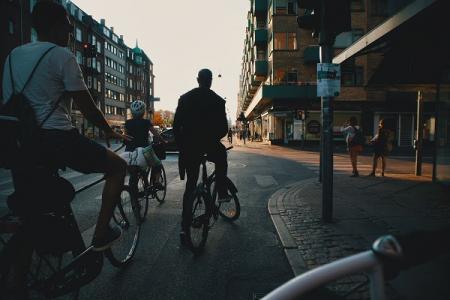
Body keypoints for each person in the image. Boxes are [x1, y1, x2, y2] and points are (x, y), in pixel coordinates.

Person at [2, 2, 131, 251]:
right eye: (69, 28)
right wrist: (109, 130)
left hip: (21, 144)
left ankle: (17, 282)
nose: (70, 33)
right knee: (118, 167)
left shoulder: (12, 57)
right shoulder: (62, 56)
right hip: (57, 138)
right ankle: (101, 234)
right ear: (58, 25)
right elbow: (87, 106)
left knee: (30, 211)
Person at [173, 68, 230, 244]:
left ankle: (184, 227)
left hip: (190, 147)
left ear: (198, 79)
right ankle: (221, 190)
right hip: (210, 144)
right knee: (222, 159)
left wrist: (183, 144)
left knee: (190, 186)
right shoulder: (218, 101)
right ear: (210, 80)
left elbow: (176, 127)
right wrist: (211, 138)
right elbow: (223, 129)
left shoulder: (185, 98)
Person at [124, 100, 165, 188]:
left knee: (133, 168)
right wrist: (163, 141)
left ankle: (137, 187)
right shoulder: (146, 122)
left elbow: (125, 136)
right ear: (143, 112)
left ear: (132, 112)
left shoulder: (128, 123)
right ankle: (157, 182)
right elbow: (156, 134)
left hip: (130, 150)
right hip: (144, 150)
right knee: (158, 164)